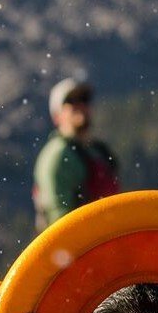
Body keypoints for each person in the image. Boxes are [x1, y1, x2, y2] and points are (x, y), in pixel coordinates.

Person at [32, 78, 121, 230]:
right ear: (56, 116)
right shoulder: (57, 155)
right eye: (71, 101)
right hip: (79, 247)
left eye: (84, 99)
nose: (80, 105)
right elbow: (58, 219)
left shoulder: (98, 150)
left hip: (107, 240)